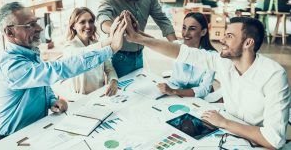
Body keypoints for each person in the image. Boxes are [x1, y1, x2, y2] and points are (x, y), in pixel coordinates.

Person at [124, 15, 290, 149]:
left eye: (229, 36)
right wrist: (139, 38)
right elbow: (181, 52)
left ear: (248, 43)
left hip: (253, 139)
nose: (222, 40)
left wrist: (225, 123)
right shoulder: (224, 61)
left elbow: (273, 140)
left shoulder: (273, 75)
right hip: (227, 131)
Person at [0, 2, 126, 140]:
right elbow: (57, 69)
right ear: (9, 32)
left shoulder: (31, 53)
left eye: (36, 22)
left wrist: (51, 100)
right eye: (30, 25)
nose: (39, 28)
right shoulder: (11, 66)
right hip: (12, 139)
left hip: (35, 130)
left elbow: (43, 83)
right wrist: (111, 47)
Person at [97, 0, 177, 77]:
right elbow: (102, 18)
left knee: (136, 88)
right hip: (119, 57)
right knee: (120, 94)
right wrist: (117, 29)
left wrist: (177, 46)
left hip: (139, 54)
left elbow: (162, 20)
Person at [157, 12, 216, 98]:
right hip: (172, 91)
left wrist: (174, 91)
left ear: (203, 32)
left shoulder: (211, 56)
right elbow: (155, 42)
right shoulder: (177, 47)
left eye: (192, 29)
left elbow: (204, 89)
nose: (186, 33)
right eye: (184, 28)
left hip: (193, 98)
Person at [62, 7, 118, 96]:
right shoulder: (69, 47)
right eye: (82, 22)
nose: (88, 26)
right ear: (73, 26)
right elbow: (84, 53)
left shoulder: (96, 43)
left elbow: (109, 68)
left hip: (99, 95)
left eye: (91, 21)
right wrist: (109, 41)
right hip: (79, 99)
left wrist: (113, 80)